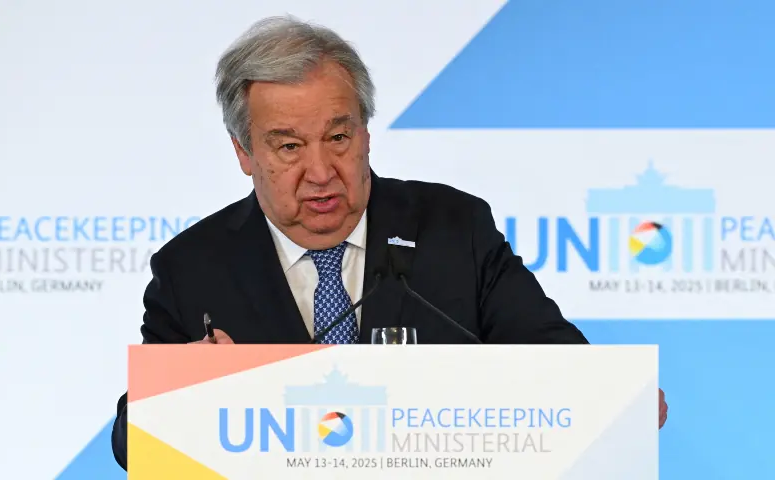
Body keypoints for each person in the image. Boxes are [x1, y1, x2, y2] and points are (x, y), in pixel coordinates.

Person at [111, 16, 668, 470]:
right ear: (243, 153)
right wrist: (179, 398)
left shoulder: (454, 228)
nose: (322, 171)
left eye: (338, 136)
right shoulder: (192, 268)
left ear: (366, 133)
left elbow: (558, 359)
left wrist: (613, 399)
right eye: (288, 147)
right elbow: (131, 445)